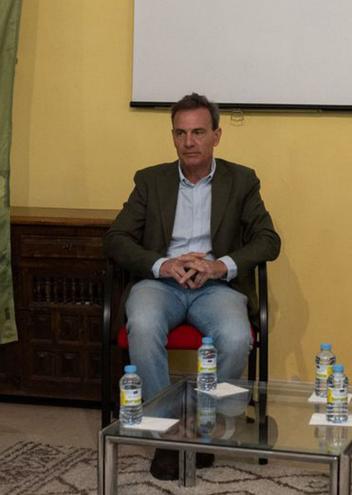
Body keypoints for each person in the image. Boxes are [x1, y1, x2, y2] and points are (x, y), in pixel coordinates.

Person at [104, 93, 281, 480]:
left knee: (236, 337)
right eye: (181, 133)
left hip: (213, 286)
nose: (189, 142)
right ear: (173, 137)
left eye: (198, 132)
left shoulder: (242, 180)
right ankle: (167, 435)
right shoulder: (150, 180)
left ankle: (205, 428)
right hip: (161, 283)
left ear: (216, 135)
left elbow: (269, 240)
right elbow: (117, 239)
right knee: (144, 325)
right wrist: (163, 264)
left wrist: (220, 266)